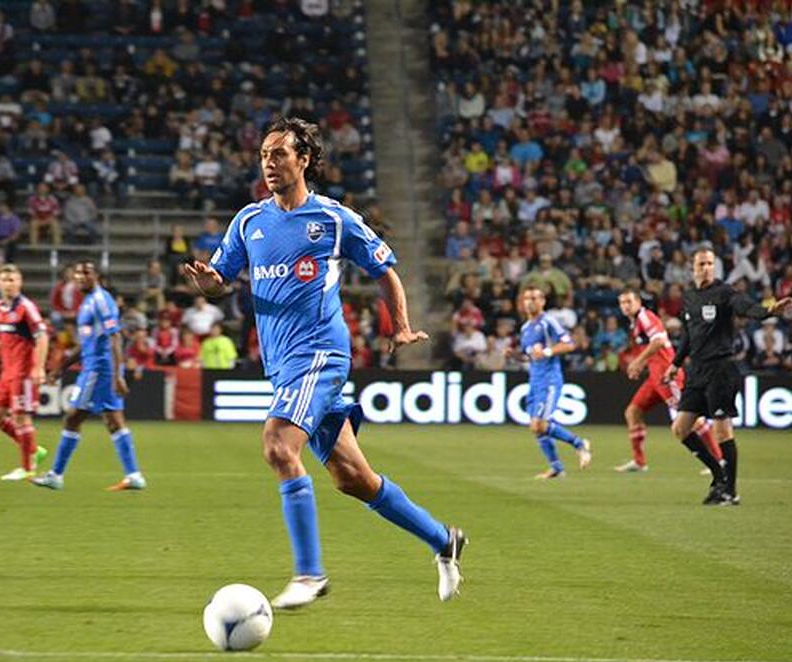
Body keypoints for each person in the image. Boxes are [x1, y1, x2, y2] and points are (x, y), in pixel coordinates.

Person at [182, 118, 466, 608]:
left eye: (279, 154)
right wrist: (209, 283)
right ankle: (444, 540)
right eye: (264, 156)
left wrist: (399, 325)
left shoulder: (334, 219)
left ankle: (309, 574)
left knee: (276, 444)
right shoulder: (249, 221)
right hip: (282, 364)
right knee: (353, 479)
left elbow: (386, 271)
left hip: (320, 353)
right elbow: (220, 279)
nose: (269, 163)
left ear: (304, 159)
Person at [664, 247, 792, 505]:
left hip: (721, 369)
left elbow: (744, 306)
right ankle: (718, 474)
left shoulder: (724, 293)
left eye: (710, 263)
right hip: (696, 371)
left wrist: (767, 311)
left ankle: (730, 491)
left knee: (722, 432)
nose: (706, 268)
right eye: (702, 264)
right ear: (693, 268)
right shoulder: (689, 297)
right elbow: (689, 336)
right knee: (680, 429)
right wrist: (675, 363)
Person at [32, 262, 147, 492]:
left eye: (87, 273)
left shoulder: (101, 301)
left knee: (73, 417)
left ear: (97, 277)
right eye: (77, 273)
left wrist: (117, 375)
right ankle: (134, 475)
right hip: (94, 367)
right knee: (113, 420)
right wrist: (61, 368)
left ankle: (56, 475)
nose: (81, 277)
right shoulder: (87, 303)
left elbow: (115, 338)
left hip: (99, 369)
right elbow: (86, 343)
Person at [615, 288, 722, 473]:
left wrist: (637, 362)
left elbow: (658, 341)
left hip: (667, 375)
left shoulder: (645, 317)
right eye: (622, 303)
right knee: (633, 412)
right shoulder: (635, 323)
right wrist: (641, 365)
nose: (625, 306)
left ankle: (719, 459)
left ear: (639, 302)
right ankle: (639, 462)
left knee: (689, 419)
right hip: (654, 378)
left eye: (629, 302)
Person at [511, 286, 593, 479]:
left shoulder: (548, 322)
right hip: (534, 380)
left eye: (534, 298)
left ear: (543, 301)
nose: (530, 302)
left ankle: (579, 444)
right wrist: (514, 355)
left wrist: (547, 351)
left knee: (540, 424)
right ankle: (556, 467)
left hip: (549, 380)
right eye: (527, 298)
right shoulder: (525, 328)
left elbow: (570, 343)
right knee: (535, 427)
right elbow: (529, 357)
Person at [0, 265, 49, 481]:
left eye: (12, 280)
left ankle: (27, 468)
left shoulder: (26, 307)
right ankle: (34, 449)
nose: (8, 284)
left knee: (21, 418)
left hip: (24, 372)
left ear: (20, 283)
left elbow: (42, 336)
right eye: (4, 280)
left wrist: (39, 367)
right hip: (6, 373)